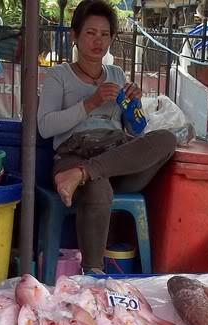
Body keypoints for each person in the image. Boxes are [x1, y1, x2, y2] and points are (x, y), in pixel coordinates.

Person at [37, 0, 177, 275]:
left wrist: (134, 105)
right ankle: (94, 273)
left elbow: (135, 131)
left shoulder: (116, 74)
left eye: (104, 34)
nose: (98, 41)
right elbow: (45, 127)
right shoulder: (58, 76)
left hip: (114, 157)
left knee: (166, 139)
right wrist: (90, 103)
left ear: (112, 38)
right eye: (90, 33)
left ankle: (83, 173)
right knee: (98, 186)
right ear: (74, 36)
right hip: (73, 154)